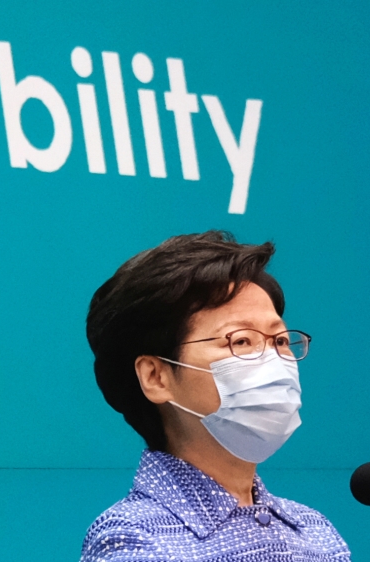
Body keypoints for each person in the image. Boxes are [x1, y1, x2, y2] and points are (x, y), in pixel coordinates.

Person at [81, 231, 351, 561]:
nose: (273, 361)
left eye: (280, 341)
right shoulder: (133, 539)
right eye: (241, 341)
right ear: (156, 377)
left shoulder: (315, 531)